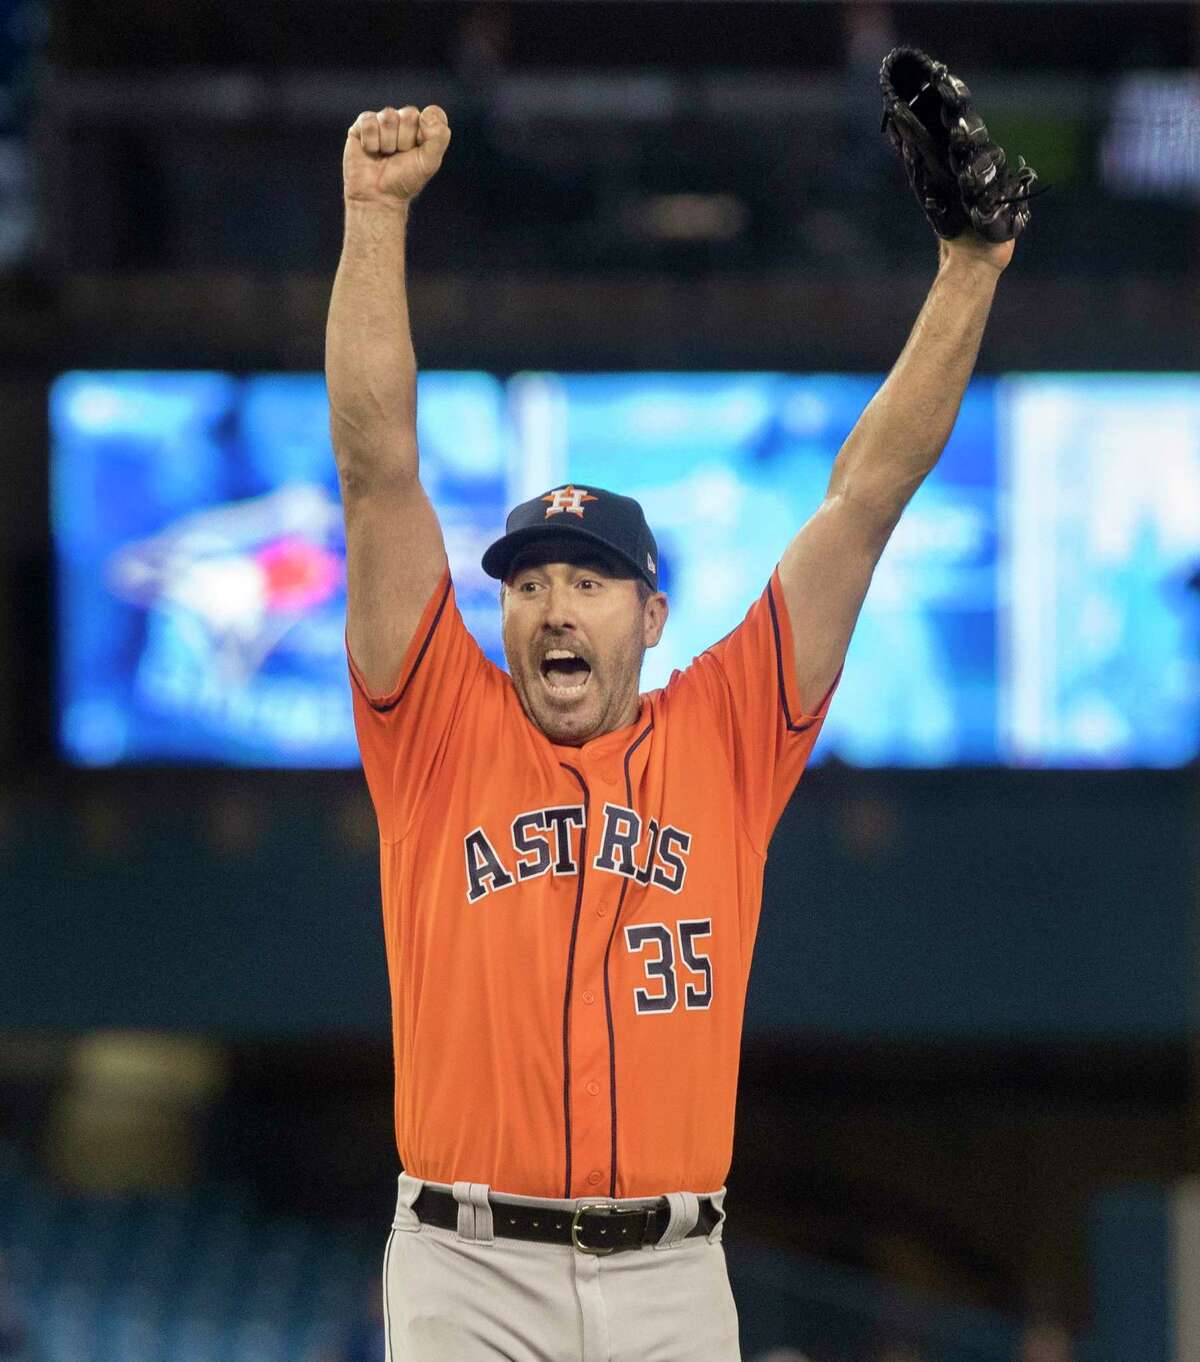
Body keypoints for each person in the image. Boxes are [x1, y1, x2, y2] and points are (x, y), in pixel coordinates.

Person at [326, 101, 1019, 1362]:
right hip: (467, 1269)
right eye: (527, 581)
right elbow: (378, 471)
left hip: (674, 1276)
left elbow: (866, 500)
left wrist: (971, 268)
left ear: (651, 613)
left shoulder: (729, 732)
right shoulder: (435, 725)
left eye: (586, 581)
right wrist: (374, 220)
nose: (551, 606)